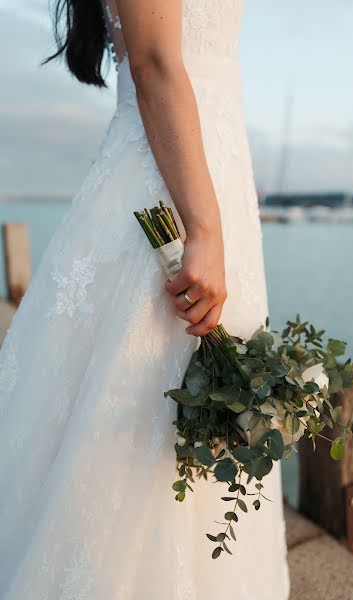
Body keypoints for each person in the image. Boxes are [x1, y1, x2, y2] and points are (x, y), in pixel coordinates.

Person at [0, 0, 290, 597]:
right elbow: (156, 62)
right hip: (176, 188)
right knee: (139, 401)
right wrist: (204, 228)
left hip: (202, 168)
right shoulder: (196, 214)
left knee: (187, 407)